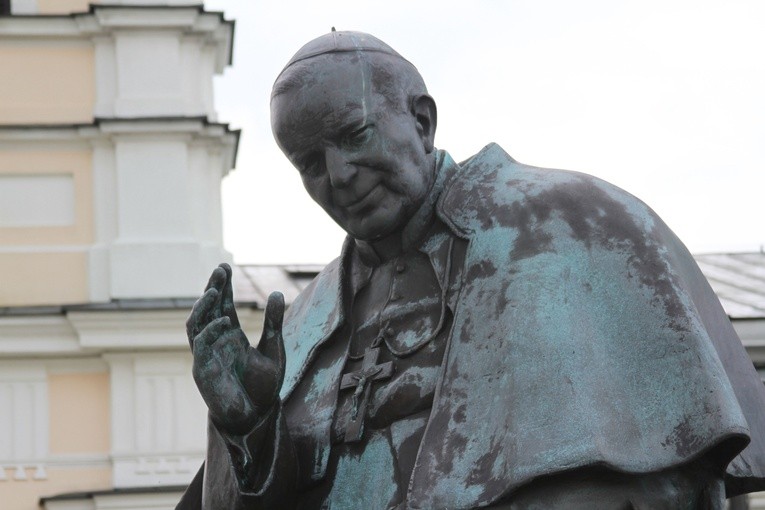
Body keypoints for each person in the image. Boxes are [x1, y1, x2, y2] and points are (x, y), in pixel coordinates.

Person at [179, 31, 765, 509]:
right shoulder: (304, 323)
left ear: (422, 121)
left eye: (354, 136)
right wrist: (254, 427)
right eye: (309, 163)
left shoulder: (574, 226)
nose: (338, 175)